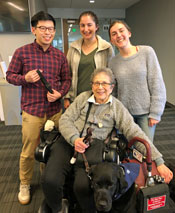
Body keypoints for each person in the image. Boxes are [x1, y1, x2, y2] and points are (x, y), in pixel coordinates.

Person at [41, 68, 172, 213]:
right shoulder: (83, 98)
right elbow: (65, 119)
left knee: (83, 186)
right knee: (50, 180)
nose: (100, 87)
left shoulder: (116, 107)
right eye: (96, 83)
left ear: (112, 87)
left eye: (104, 83)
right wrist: (74, 138)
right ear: (92, 85)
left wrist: (158, 160)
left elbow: (134, 131)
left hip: (91, 150)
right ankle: (58, 207)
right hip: (67, 142)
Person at [6, 11, 71, 205]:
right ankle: (25, 183)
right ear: (34, 30)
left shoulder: (59, 55)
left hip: (55, 111)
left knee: (54, 149)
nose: (47, 33)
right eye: (43, 28)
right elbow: (10, 75)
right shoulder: (22, 52)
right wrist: (24, 78)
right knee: (28, 151)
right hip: (32, 111)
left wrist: (60, 93)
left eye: (50, 29)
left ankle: (48, 180)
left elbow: (66, 79)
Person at [108, 20, 166, 142]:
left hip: (145, 113)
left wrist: (156, 112)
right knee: (127, 149)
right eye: (114, 34)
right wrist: (114, 113)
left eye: (121, 31)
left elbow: (157, 83)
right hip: (124, 114)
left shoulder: (146, 52)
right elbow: (114, 91)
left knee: (146, 149)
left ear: (129, 33)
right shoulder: (113, 62)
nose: (118, 35)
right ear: (112, 40)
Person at [64, 11, 114, 109]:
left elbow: (111, 76)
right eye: (82, 25)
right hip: (76, 99)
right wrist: (66, 97)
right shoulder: (73, 48)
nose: (86, 29)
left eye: (89, 25)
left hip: (99, 100)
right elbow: (67, 74)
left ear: (96, 27)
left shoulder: (106, 48)